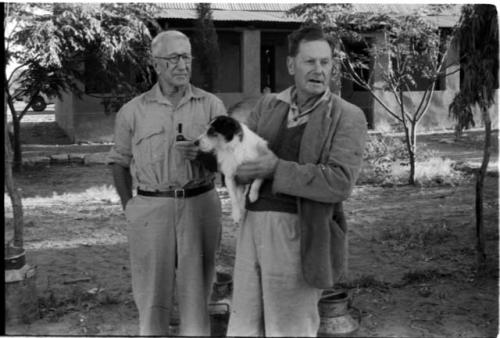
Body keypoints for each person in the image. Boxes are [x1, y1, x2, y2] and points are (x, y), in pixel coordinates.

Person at [227, 24, 368, 337]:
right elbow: (242, 157)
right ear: (291, 65)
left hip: (300, 231)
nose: (319, 70)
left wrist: (276, 170)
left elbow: (339, 181)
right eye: (309, 61)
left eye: (325, 62)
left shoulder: (347, 115)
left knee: (289, 328)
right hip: (252, 229)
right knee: (245, 325)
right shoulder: (268, 105)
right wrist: (227, 162)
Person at [108, 30, 226, 336]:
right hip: (150, 209)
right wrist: (129, 207)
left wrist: (204, 155)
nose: (182, 65)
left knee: (198, 294)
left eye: (186, 57)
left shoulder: (211, 106)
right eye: (173, 58)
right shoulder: (132, 112)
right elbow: (119, 162)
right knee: (151, 294)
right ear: (156, 64)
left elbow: (231, 162)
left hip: (200, 205)